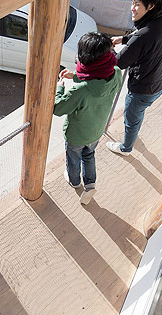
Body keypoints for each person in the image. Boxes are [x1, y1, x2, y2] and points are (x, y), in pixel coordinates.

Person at [107, 0, 162, 156]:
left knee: (130, 119)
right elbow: (147, 37)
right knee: (138, 113)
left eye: (137, 4)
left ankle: (126, 148)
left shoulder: (142, 37)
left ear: (150, 6)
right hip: (160, 82)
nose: (132, 8)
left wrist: (107, 48)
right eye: (132, 3)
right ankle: (134, 133)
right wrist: (124, 39)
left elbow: (117, 63)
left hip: (142, 90)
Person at [54, 32, 122, 205]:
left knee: (73, 160)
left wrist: (60, 88)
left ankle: (75, 181)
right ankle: (90, 185)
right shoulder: (115, 73)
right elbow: (97, 80)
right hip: (96, 131)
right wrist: (75, 76)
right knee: (89, 155)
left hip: (76, 136)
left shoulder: (80, 90)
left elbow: (58, 108)